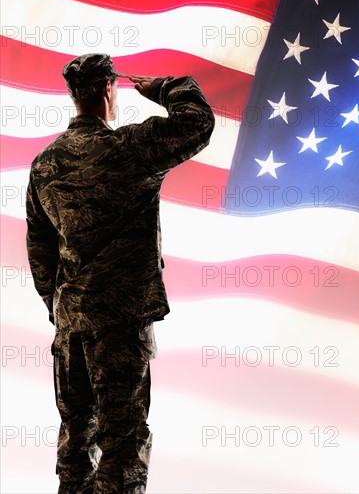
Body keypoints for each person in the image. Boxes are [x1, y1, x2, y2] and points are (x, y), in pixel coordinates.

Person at [25, 53, 215, 493]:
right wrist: (167, 88)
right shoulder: (129, 150)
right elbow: (197, 123)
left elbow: (40, 249)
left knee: (75, 446)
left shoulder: (45, 164)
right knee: (122, 450)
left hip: (71, 328)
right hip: (120, 326)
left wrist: (61, 309)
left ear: (74, 95)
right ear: (110, 89)